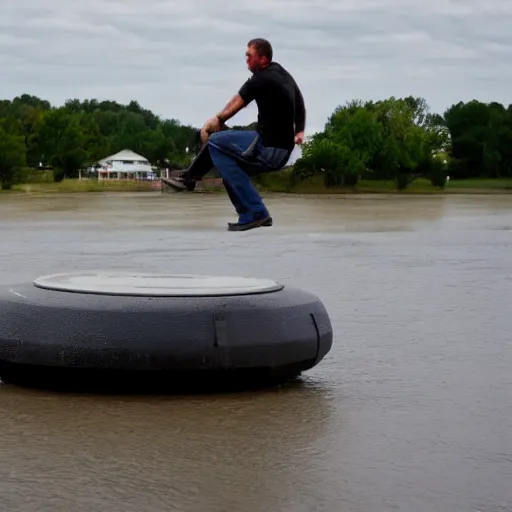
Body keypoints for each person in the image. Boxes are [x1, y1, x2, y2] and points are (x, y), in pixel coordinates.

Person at [165, 38, 306, 231]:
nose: (246, 59)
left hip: (267, 148)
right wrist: (300, 130)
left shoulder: (261, 78)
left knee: (215, 141)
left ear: (263, 59)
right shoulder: (282, 74)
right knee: (228, 169)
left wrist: (218, 119)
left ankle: (192, 178)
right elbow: (299, 102)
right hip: (279, 149)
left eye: (250, 55)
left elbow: (237, 103)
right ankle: (249, 215)